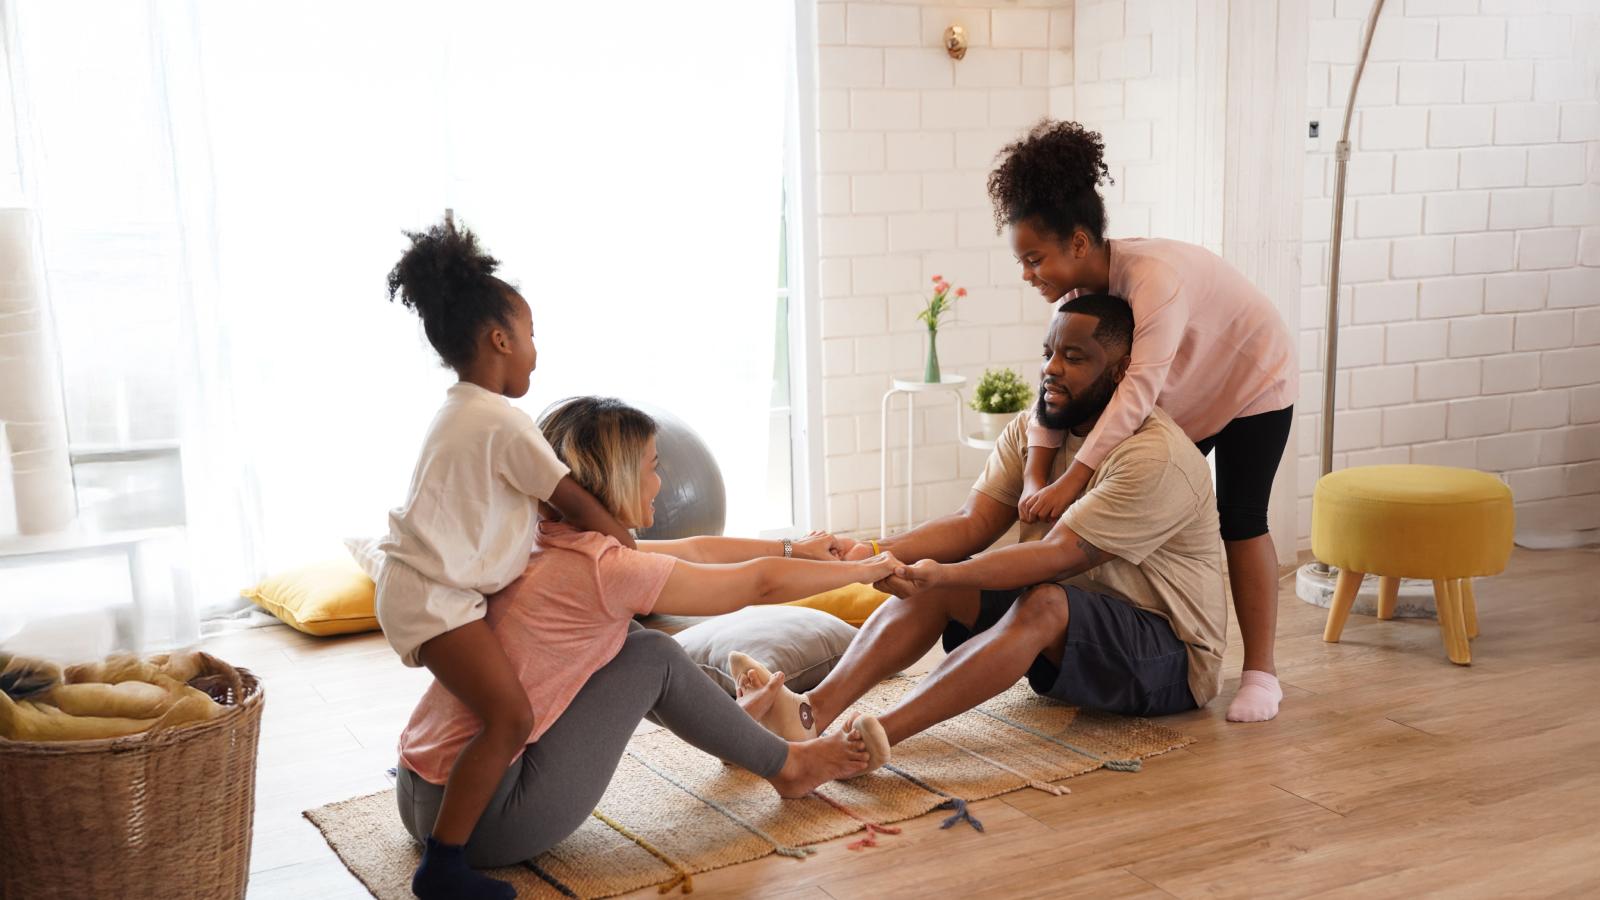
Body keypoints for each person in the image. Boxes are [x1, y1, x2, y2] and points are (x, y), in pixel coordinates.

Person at [395, 396, 900, 877]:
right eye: (653, 467)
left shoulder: (540, 539)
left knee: (630, 642)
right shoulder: (605, 570)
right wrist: (861, 572)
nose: (660, 481)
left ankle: (734, 733)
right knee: (651, 655)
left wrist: (794, 548)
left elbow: (697, 550)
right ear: (617, 478)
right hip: (490, 825)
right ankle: (791, 768)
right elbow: (758, 584)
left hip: (422, 798)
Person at [738, 295, 1227, 751]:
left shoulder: (1153, 456)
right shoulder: (1037, 429)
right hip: (1076, 627)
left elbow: (1057, 555)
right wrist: (874, 553)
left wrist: (945, 573)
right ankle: (809, 714)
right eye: (1048, 353)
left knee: (1035, 599)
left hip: (1170, 659)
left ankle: (872, 742)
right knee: (939, 586)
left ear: (1121, 371)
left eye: (1074, 358)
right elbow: (971, 522)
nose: (1052, 369)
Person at [993, 120, 1297, 723]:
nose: (1027, 274)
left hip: (1252, 378)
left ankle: (1261, 674)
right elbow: (1052, 389)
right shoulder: (1076, 300)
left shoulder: (1153, 279)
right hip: (1187, 385)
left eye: (1034, 259)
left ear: (1079, 244)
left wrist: (1069, 481)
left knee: (1241, 518)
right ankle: (1140, 630)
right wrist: (1034, 474)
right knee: (1137, 494)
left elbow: (1136, 392)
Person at [377, 218, 642, 900]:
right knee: (511, 718)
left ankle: (446, 796)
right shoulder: (502, 420)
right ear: (500, 340)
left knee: (492, 706)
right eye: (529, 335)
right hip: (434, 597)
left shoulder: (461, 411)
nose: (534, 352)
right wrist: (623, 538)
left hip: (426, 590)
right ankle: (443, 867)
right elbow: (571, 497)